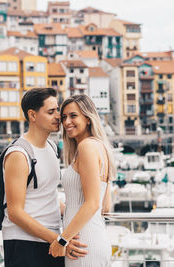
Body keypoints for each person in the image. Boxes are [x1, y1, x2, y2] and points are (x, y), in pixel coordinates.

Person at [3, 88, 87, 267]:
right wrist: (58, 240)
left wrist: (79, 213)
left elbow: (48, 194)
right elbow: (15, 212)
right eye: (51, 112)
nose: (59, 116)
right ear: (32, 115)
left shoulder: (51, 147)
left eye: (57, 110)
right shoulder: (19, 154)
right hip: (24, 243)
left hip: (52, 239)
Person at [49, 94, 116, 266]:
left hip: (82, 242)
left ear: (88, 118)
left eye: (73, 116)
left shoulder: (86, 147)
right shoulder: (100, 147)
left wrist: (62, 241)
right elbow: (105, 206)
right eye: (64, 117)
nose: (66, 122)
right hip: (92, 238)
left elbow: (93, 203)